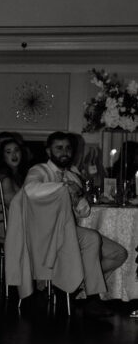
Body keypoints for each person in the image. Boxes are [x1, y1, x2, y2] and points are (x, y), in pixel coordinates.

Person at [19, 131, 127, 317]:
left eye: (68, 148)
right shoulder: (39, 171)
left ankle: (75, 286)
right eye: (59, 148)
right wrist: (63, 187)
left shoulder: (72, 175)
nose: (64, 152)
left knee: (119, 253)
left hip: (71, 231)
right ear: (48, 151)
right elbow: (30, 190)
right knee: (91, 238)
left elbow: (84, 211)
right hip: (47, 233)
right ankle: (92, 299)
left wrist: (77, 195)